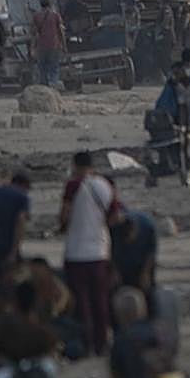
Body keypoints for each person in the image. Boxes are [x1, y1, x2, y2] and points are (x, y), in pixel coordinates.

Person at [60, 151, 118, 355]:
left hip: (77, 252)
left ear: (75, 165)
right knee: (100, 300)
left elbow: (65, 215)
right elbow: (113, 217)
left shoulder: (73, 186)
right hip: (100, 252)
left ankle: (86, 343)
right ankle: (101, 343)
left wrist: (66, 225)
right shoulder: (104, 186)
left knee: (81, 302)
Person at [111, 209, 158, 299]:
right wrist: (114, 271)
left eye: (130, 238)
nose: (128, 241)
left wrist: (145, 273)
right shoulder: (116, 229)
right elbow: (110, 252)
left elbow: (151, 253)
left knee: (146, 287)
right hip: (123, 262)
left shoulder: (148, 227)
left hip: (141, 260)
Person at [31, 0, 65, 88]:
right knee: (54, 67)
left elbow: (34, 33)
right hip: (54, 45)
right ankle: (53, 86)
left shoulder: (36, 16)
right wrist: (64, 46)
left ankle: (44, 88)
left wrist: (33, 48)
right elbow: (61, 31)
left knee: (42, 68)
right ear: (50, 4)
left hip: (41, 46)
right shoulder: (55, 15)